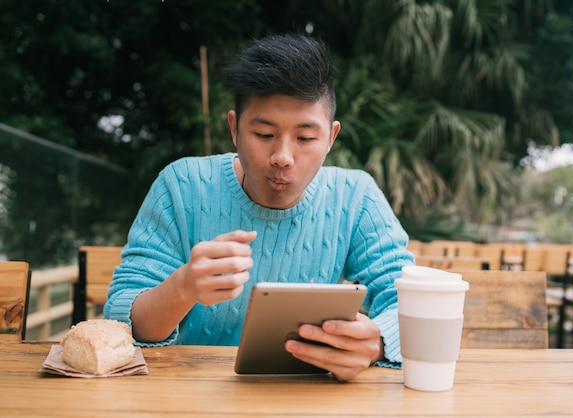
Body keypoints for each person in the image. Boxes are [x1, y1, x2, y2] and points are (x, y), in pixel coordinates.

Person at [104, 33, 415, 381]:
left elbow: (409, 299)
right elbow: (120, 321)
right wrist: (183, 287)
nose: (282, 157)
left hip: (307, 397)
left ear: (331, 137)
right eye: (265, 135)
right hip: (185, 395)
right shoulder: (181, 186)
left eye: (305, 138)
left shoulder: (356, 197)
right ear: (235, 128)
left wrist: (377, 343)